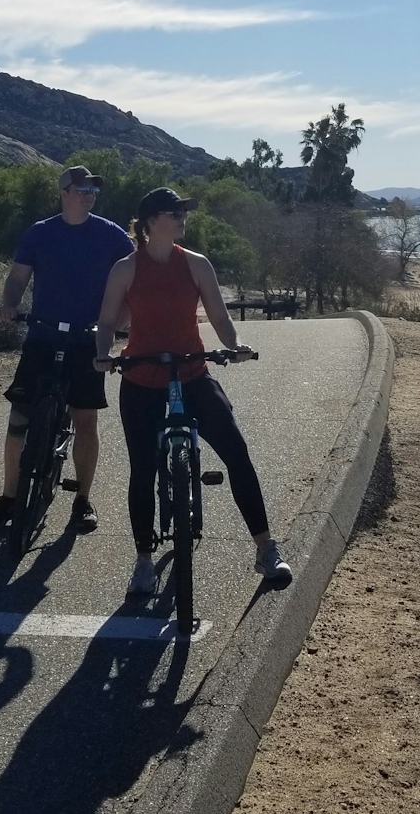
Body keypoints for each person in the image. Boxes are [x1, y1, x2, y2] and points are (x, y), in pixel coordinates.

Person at [93, 186, 292, 597]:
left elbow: (218, 315)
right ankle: (144, 561)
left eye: (185, 211)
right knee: (143, 470)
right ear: (150, 221)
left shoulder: (197, 264)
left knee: (236, 451)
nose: (183, 217)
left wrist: (234, 345)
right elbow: (108, 321)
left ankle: (265, 548)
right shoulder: (126, 269)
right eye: (174, 211)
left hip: (192, 372)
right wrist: (103, 355)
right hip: (141, 377)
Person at [0, 165, 134, 536]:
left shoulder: (111, 235)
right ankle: (10, 497)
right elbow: (17, 277)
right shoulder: (41, 232)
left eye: (93, 189)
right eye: (81, 188)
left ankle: (82, 500)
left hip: (88, 339)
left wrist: (119, 323)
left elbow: (135, 280)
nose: (88, 194)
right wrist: (9, 303)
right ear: (63, 192)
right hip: (43, 335)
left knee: (85, 420)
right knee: (20, 417)